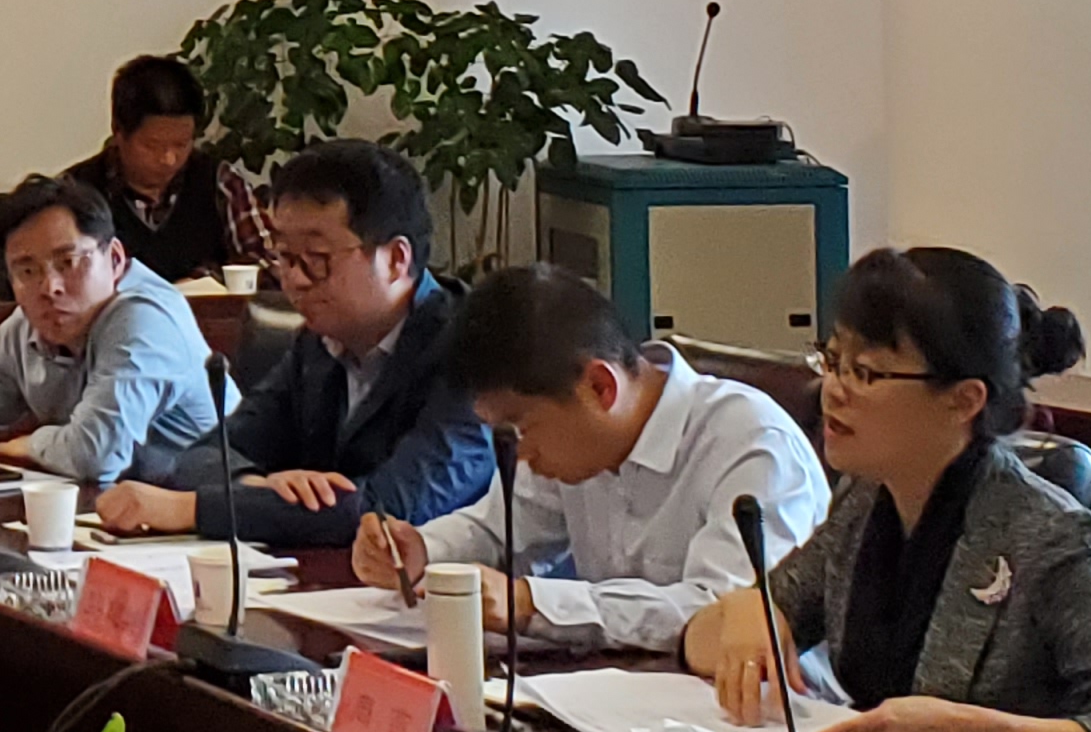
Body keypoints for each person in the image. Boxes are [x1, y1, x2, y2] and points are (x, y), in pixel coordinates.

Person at [680, 248, 1091, 732]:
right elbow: (711, 638)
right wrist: (745, 612)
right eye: (831, 361)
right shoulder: (866, 499)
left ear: (963, 400)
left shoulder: (1054, 539)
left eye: (865, 372)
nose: (833, 390)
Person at [351, 263, 829, 656]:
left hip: (767, 720)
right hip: (629, 696)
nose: (523, 453)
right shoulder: (574, 441)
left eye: (523, 428)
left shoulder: (753, 446)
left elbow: (723, 617)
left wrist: (530, 603)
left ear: (600, 387)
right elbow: (499, 530)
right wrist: (423, 549)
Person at [91, 142, 496, 551]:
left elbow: (386, 511)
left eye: (317, 258)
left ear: (395, 258)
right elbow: (205, 455)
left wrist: (192, 510)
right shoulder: (318, 344)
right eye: (285, 256)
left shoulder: (474, 352)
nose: (296, 280)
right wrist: (253, 485)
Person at [0, 174, 220, 487]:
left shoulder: (147, 319)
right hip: (121, 511)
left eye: (68, 263)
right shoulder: (27, 325)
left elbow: (97, 453)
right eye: (27, 271)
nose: (50, 287)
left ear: (114, 259)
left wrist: (32, 445)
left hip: (210, 509)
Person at [71, 55, 265, 291]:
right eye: (152, 146)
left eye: (182, 144)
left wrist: (203, 280)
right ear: (118, 132)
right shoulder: (75, 193)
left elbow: (260, 262)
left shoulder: (220, 182)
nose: (169, 159)